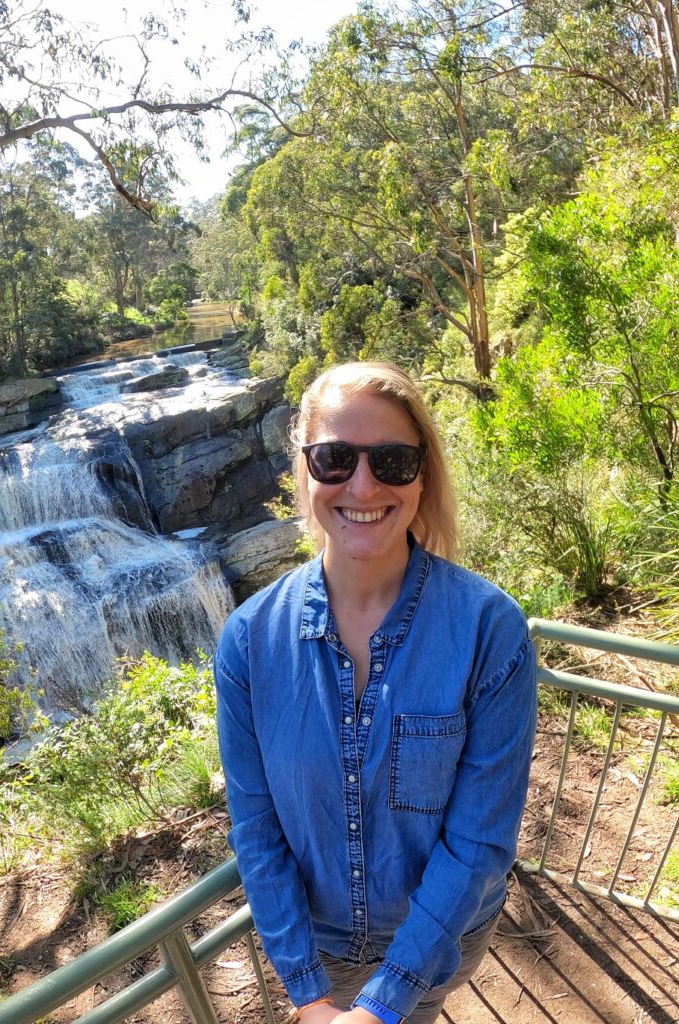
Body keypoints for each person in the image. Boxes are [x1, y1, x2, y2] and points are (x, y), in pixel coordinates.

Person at [214, 362, 537, 1024]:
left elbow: (479, 841)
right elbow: (256, 830)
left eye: (392, 460)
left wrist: (384, 1002)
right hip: (318, 953)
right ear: (302, 472)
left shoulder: (488, 630)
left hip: (441, 946)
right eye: (334, 458)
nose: (363, 484)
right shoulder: (249, 643)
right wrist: (308, 993)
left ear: (423, 473)